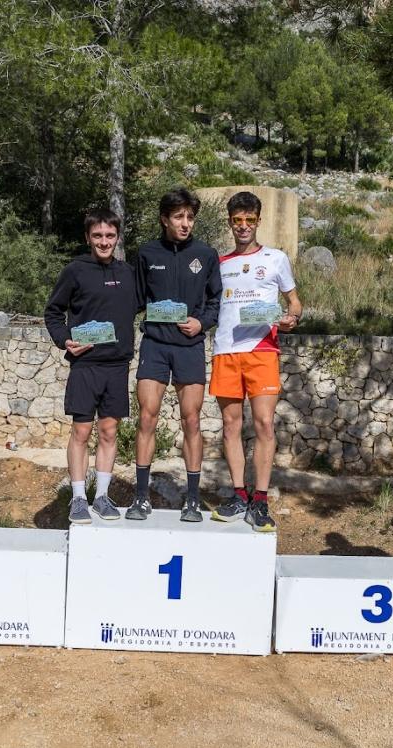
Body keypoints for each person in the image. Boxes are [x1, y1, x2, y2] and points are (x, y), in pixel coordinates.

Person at [208, 191, 301, 533]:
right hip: (226, 351)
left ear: (258, 221)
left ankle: (260, 500)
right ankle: (238, 494)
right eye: (237, 221)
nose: (243, 226)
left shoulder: (276, 258)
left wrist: (291, 317)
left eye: (249, 220)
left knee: (263, 424)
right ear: (230, 222)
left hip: (262, 350)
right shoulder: (219, 264)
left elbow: (294, 302)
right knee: (231, 426)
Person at [129, 188, 222, 523]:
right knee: (147, 418)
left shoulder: (206, 254)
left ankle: (193, 500)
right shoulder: (146, 253)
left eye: (190, 217)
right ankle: (140, 498)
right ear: (164, 219)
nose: (186, 223)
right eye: (179, 217)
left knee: (192, 420)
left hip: (189, 348)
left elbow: (215, 302)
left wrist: (202, 323)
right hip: (154, 344)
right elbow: (134, 299)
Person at [44, 209, 138, 524]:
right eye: (97, 236)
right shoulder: (75, 270)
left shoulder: (128, 273)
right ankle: (78, 498)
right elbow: (53, 311)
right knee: (82, 431)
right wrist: (64, 340)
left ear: (118, 237)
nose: (104, 241)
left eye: (110, 235)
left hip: (117, 366)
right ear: (88, 238)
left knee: (110, 431)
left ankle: (102, 497)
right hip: (85, 366)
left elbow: (150, 304)